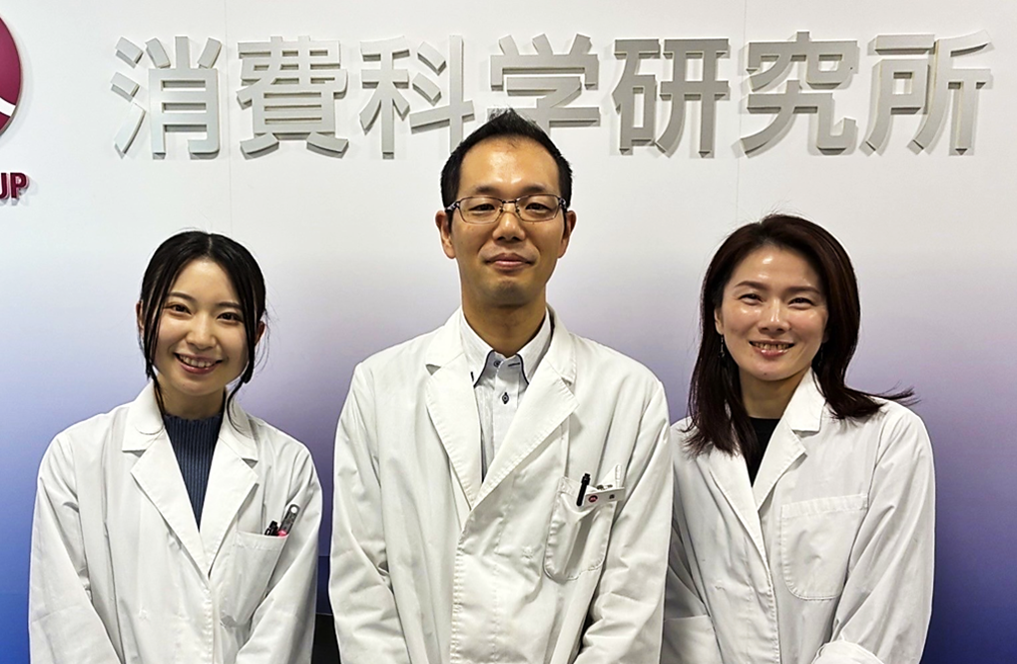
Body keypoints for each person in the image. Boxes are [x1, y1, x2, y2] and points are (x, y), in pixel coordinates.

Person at [330, 109, 672, 663]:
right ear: (447, 231)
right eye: (483, 205)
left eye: (536, 206)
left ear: (566, 230)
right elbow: (362, 590)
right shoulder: (379, 388)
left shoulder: (630, 396)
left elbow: (630, 609)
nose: (509, 227)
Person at [29, 231, 322, 663]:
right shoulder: (76, 458)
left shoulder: (288, 467)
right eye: (180, 309)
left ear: (256, 334)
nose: (201, 336)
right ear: (143, 316)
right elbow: (65, 624)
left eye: (228, 316)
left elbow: (283, 630)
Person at [662, 214, 935, 664]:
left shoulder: (889, 437)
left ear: (830, 322)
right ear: (717, 315)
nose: (773, 321)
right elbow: (678, 616)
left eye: (800, 301)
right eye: (752, 297)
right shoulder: (677, 450)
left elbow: (883, 618)